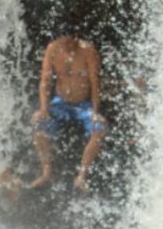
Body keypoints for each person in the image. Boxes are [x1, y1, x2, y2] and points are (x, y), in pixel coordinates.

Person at [28, 33, 107, 193]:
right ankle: (46, 171)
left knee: (100, 129)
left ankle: (82, 176)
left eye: (70, 41)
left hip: (84, 105)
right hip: (60, 103)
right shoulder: (53, 49)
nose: (67, 44)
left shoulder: (88, 50)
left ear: (76, 37)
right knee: (38, 125)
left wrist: (96, 111)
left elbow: (95, 82)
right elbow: (45, 81)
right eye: (64, 40)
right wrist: (43, 109)